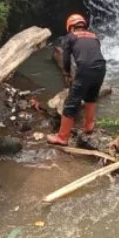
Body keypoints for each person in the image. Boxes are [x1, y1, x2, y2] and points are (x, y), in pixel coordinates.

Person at [47, 14, 106, 145]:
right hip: (101, 67)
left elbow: (66, 59)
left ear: (70, 27)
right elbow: (94, 54)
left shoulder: (70, 37)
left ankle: (62, 137)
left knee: (71, 103)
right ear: (83, 25)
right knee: (91, 97)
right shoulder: (94, 36)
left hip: (85, 69)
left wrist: (67, 73)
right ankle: (89, 126)